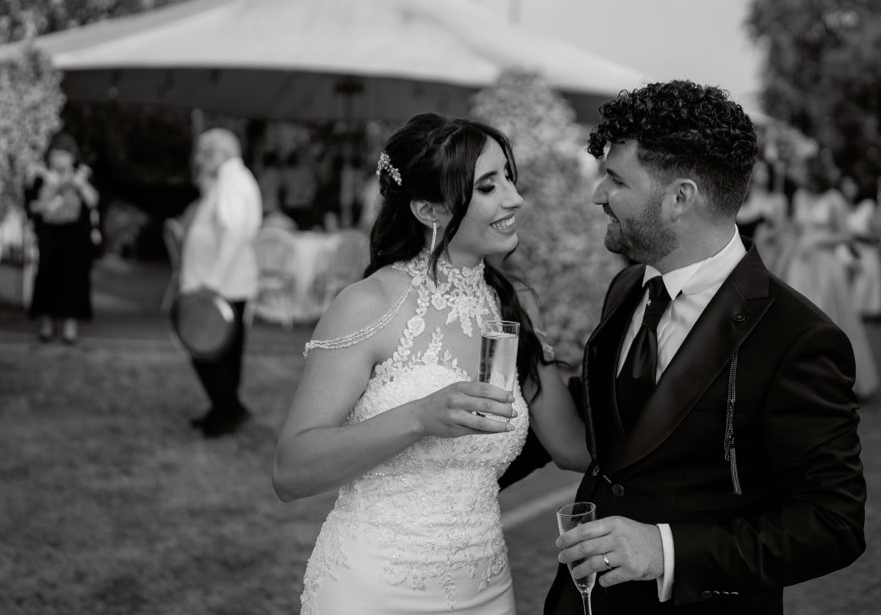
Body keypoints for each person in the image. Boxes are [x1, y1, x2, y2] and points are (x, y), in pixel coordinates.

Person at [547, 81, 866, 615]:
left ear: (680, 198)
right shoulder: (626, 289)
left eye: (617, 179)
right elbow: (606, 423)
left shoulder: (797, 339)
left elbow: (833, 524)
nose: (598, 194)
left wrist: (666, 551)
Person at [273, 114, 589, 615]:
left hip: (487, 588)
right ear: (428, 209)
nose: (514, 198)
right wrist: (420, 417)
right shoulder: (369, 304)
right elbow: (291, 471)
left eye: (509, 177)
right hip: (373, 590)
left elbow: (573, 448)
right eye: (488, 186)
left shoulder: (514, 304)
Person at [181, 128, 263, 438]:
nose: (200, 160)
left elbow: (233, 232)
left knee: (205, 352)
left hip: (220, 286)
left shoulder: (232, 181)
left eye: (204, 153)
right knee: (224, 353)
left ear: (220, 153)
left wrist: (212, 281)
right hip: (228, 284)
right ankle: (223, 409)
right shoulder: (231, 180)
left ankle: (230, 409)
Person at [783, 157, 880, 399]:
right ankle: (801, 382)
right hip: (801, 266)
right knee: (796, 323)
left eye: (804, 171)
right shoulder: (799, 196)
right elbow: (795, 230)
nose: (800, 176)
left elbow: (845, 235)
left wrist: (819, 240)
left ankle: (831, 382)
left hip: (826, 267)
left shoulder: (834, 199)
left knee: (825, 321)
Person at [25, 133, 99, 344]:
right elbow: (30, 205)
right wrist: (46, 206)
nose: (58, 160)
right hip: (50, 234)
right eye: (54, 155)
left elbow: (94, 201)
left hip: (75, 235)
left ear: (72, 157)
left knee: (73, 278)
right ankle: (47, 323)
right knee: (47, 276)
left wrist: (80, 184)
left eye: (63, 155)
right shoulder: (40, 177)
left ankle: (69, 325)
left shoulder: (82, 176)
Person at [840, 175, 881, 318]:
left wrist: (853, 235)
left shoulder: (868, 207)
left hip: (864, 257)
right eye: (845, 185)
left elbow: (878, 237)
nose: (848, 188)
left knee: (858, 303)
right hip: (840, 256)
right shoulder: (836, 205)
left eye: (852, 184)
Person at [735, 158, 789, 264]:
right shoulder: (739, 199)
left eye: (763, 170)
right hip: (735, 259)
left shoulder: (776, 201)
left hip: (761, 259)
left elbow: (780, 237)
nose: (759, 174)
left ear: (769, 174)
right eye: (755, 170)